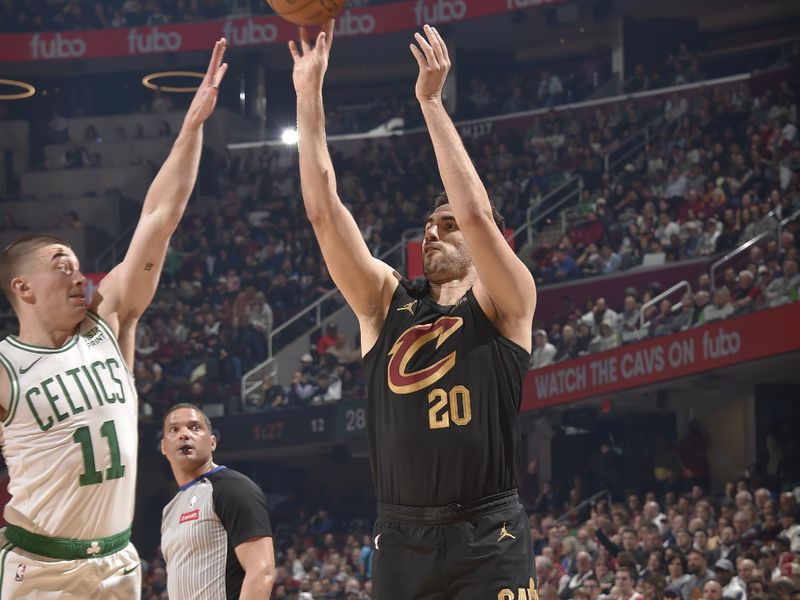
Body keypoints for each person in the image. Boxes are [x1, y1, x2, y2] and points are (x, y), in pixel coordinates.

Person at [289, 20, 537, 599]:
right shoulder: (385, 302)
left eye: (445, 225)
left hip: (489, 531)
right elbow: (324, 212)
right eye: (428, 227)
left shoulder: (509, 301)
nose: (432, 233)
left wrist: (430, 101)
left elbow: (477, 217)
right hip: (401, 536)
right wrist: (308, 95)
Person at [0, 38, 228, 598]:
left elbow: (159, 215)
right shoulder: (8, 363)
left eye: (80, 266)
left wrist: (192, 125)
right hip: (39, 566)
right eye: (63, 267)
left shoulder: (109, 324)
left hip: (120, 563)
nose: (81, 277)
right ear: (23, 288)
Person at [160, 403, 275, 599]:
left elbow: (262, 571)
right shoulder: (170, 508)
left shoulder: (233, 488)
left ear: (212, 442)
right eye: (174, 429)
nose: (184, 434)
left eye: (195, 427)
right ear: (164, 447)